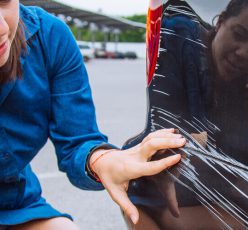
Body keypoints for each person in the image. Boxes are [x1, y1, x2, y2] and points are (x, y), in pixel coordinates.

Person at [0, 1, 186, 229]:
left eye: (4, 2)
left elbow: (77, 140)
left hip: (13, 203)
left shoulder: (50, 37)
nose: (1, 27)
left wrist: (104, 162)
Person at [130, 0, 248, 228]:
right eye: (239, 34)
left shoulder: (246, 91)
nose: (244, 53)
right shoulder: (184, 46)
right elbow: (173, 143)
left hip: (191, 194)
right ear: (221, 21)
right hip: (157, 192)